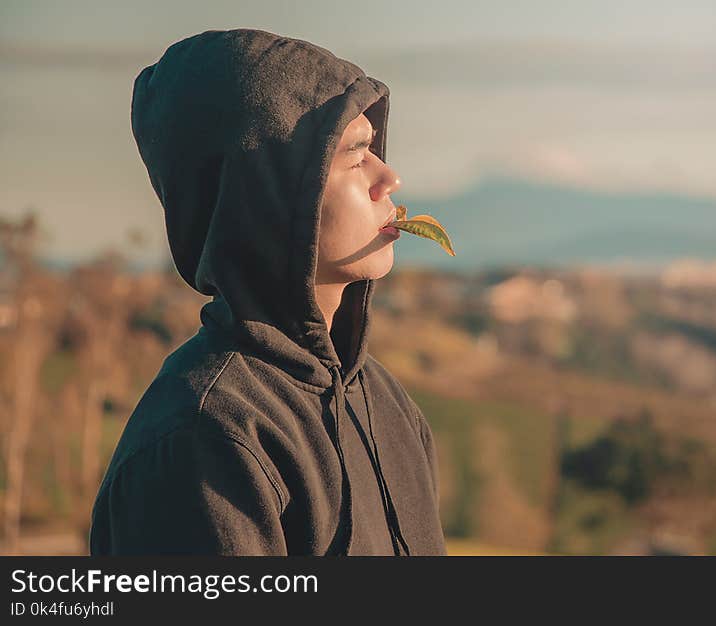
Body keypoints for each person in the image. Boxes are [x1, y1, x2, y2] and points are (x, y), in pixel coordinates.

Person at [88, 28, 447, 555]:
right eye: (356, 154)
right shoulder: (206, 441)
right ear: (267, 192)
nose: (388, 177)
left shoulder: (388, 406)